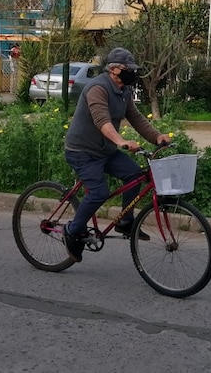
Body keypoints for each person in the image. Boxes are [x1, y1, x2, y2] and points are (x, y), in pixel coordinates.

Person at [62, 47, 171, 262]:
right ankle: (73, 231)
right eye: (127, 69)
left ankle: (125, 222)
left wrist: (157, 137)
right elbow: (102, 121)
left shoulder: (124, 91)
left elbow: (136, 118)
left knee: (135, 175)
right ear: (113, 70)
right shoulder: (97, 89)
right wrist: (121, 141)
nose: (132, 73)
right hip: (82, 151)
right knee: (99, 192)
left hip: (106, 151)